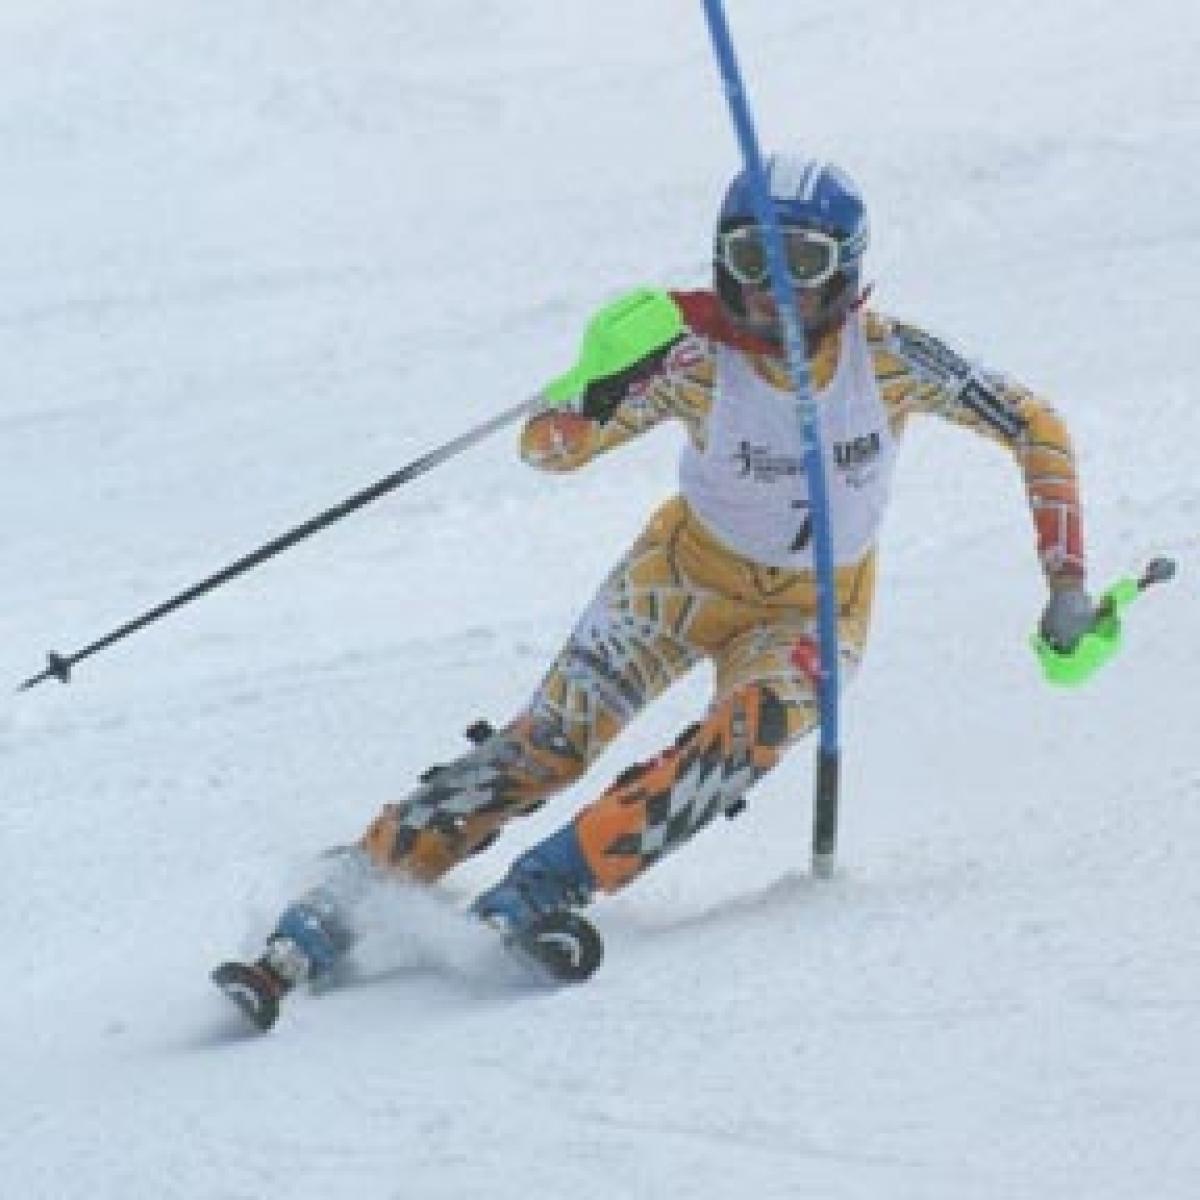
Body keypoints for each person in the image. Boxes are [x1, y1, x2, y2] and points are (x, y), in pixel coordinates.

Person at [220, 152, 1093, 1013]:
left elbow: (1033, 422)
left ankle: (545, 887)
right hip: (678, 581)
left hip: (812, 607)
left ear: (847, 272)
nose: (770, 292)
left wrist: (1064, 573)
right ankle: (352, 889)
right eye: (752, 261)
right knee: (547, 746)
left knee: (740, 741)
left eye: (802, 266)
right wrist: (594, 385)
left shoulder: (893, 358)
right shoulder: (699, 358)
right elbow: (550, 451)